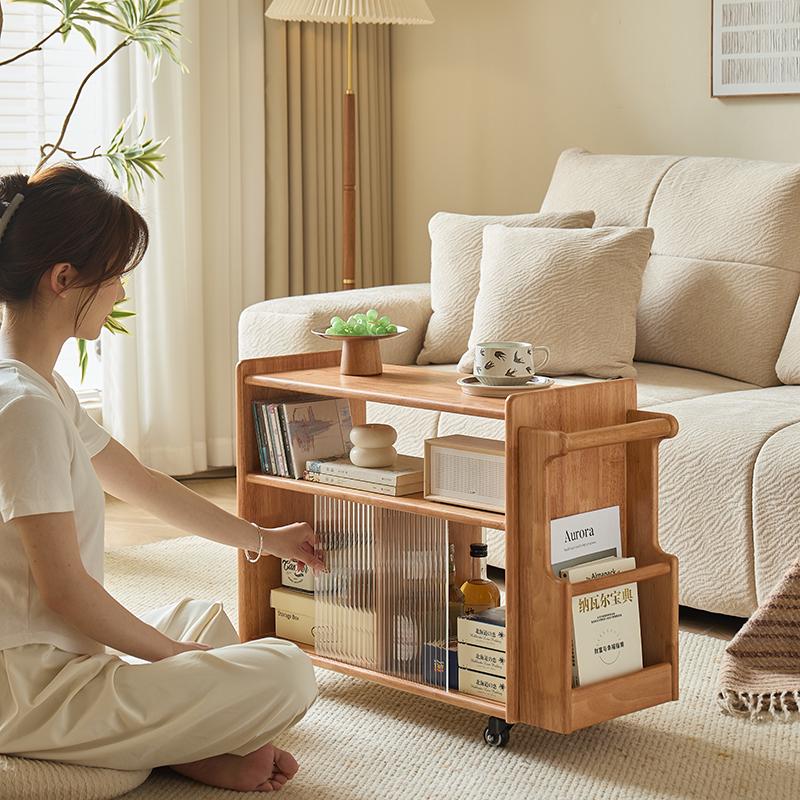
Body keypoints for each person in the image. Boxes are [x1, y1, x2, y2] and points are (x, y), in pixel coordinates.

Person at [0, 163, 324, 792]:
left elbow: (144, 483)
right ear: (64, 278)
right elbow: (65, 591)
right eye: (114, 274)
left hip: (62, 661)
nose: (120, 292)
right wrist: (178, 661)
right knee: (285, 671)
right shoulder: (25, 410)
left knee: (201, 616)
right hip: (29, 689)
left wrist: (265, 538)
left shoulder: (43, 390)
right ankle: (178, 746)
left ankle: (179, 742)